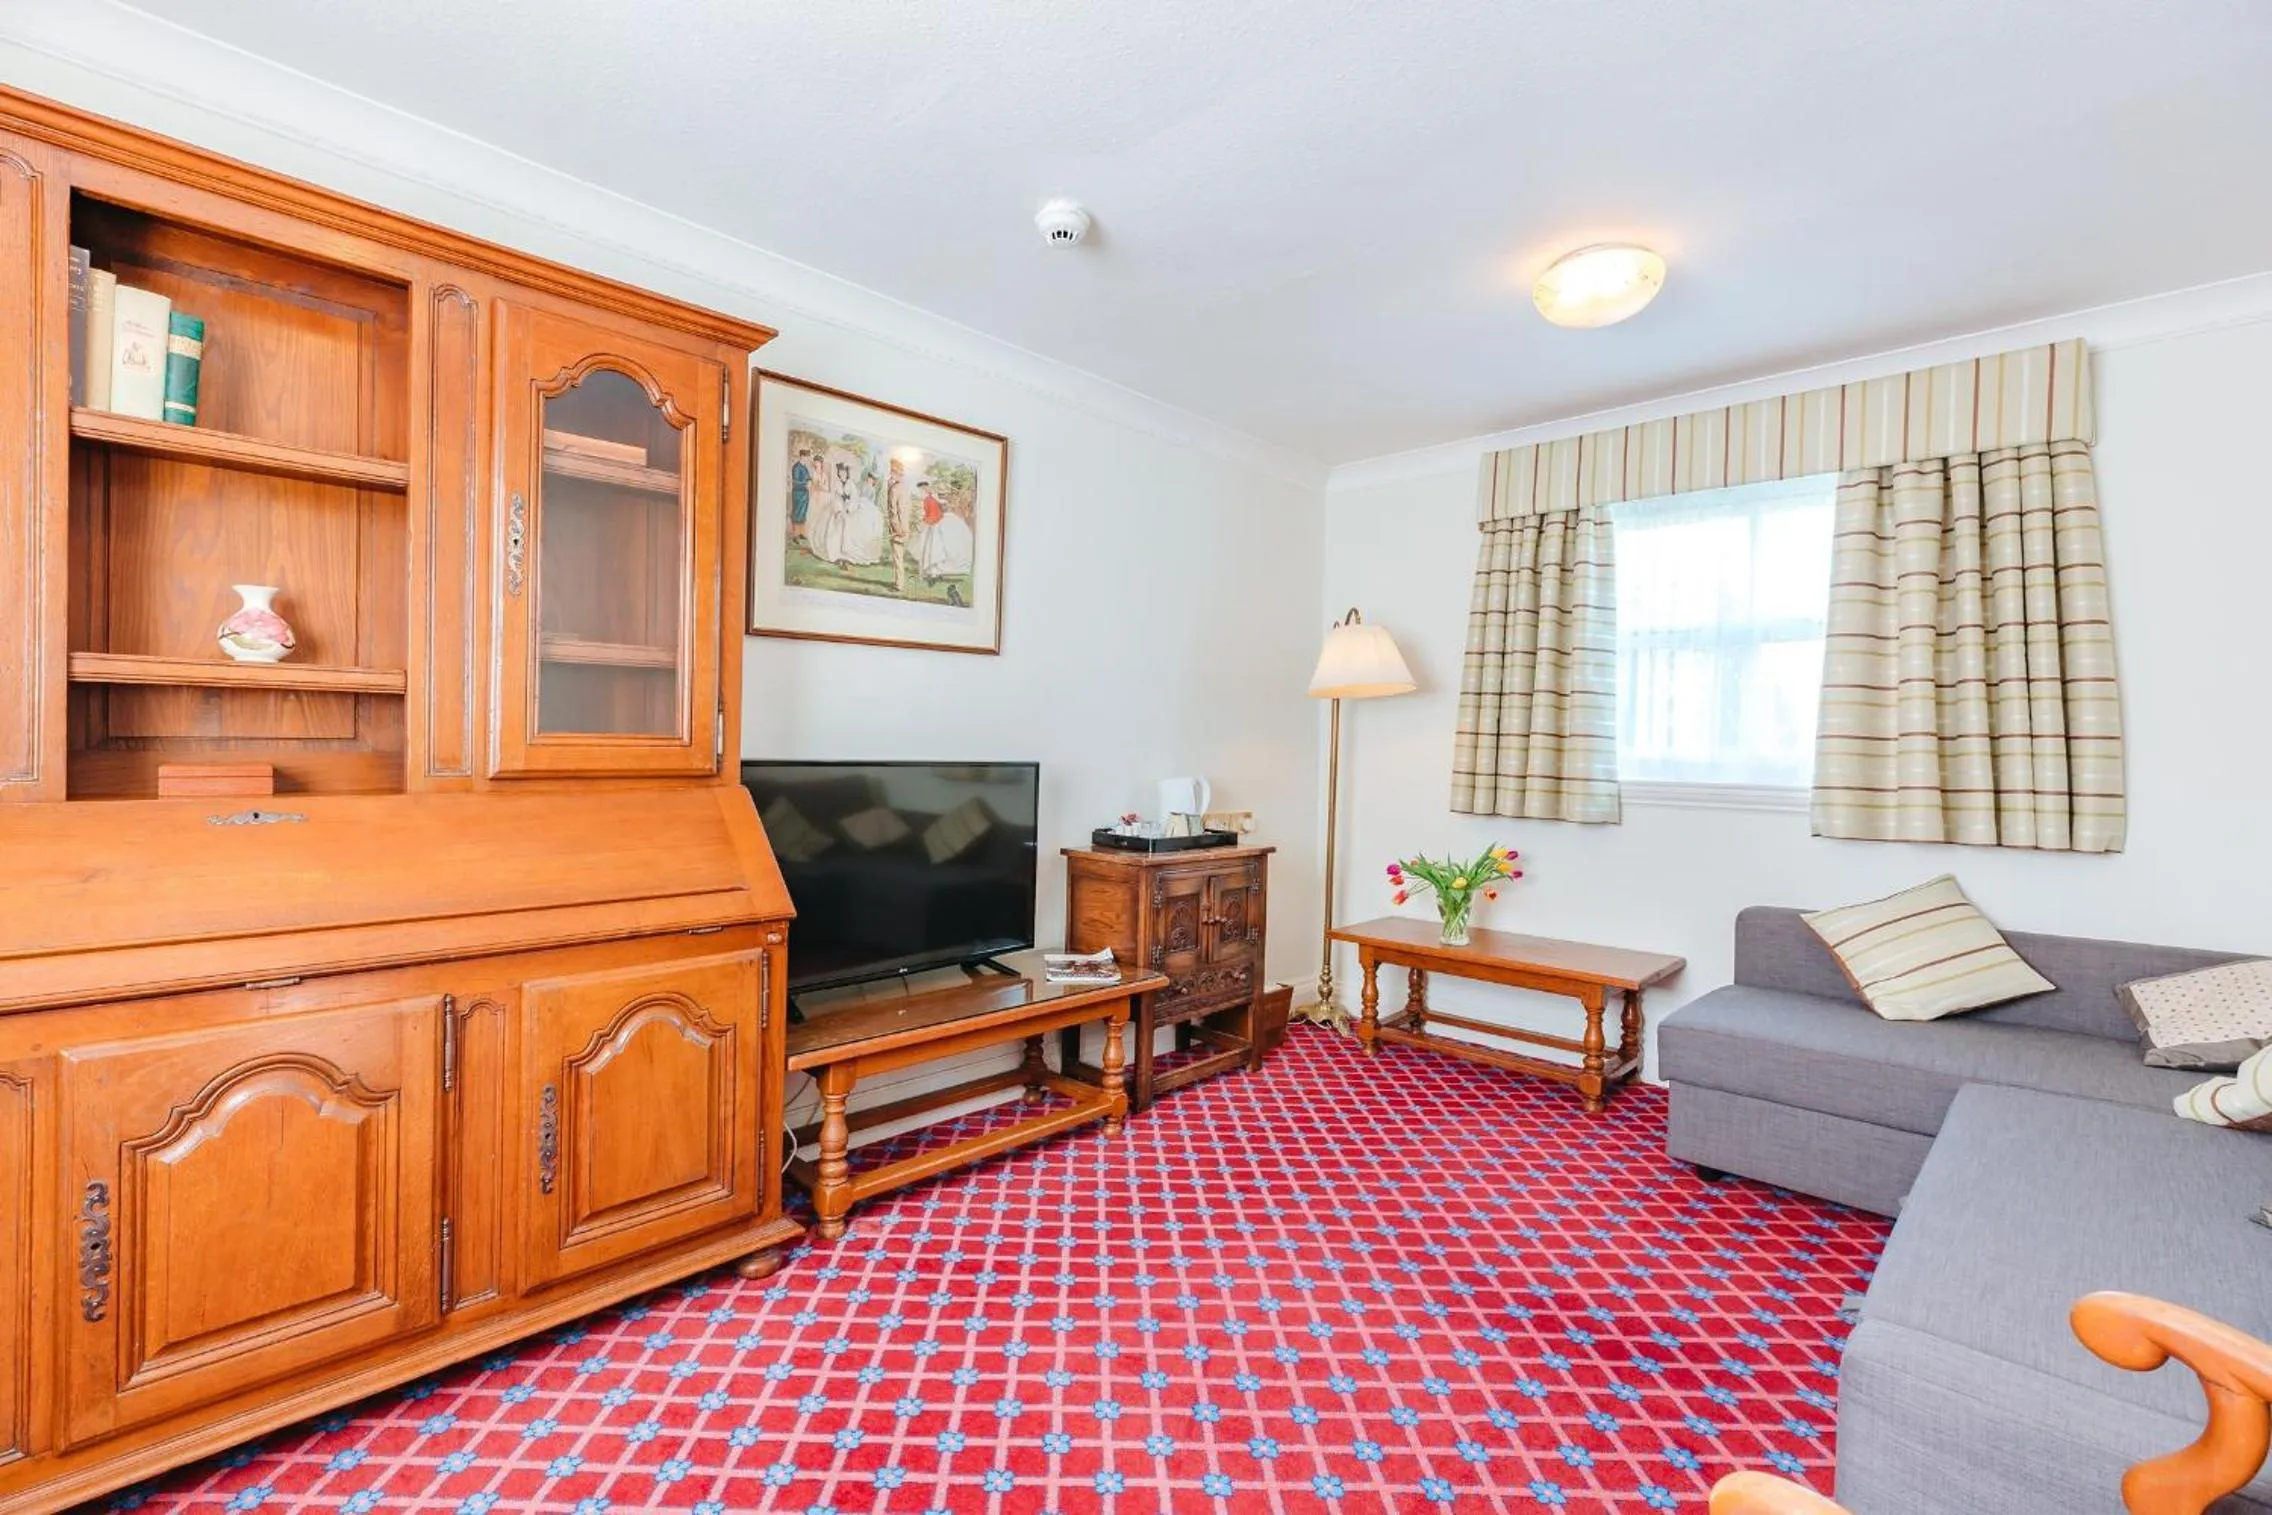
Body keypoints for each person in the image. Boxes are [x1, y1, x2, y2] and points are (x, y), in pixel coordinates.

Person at [915, 479, 975, 582]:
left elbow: (935, 513)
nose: (942, 494)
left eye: (944, 493)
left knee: (938, 546)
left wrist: (925, 522)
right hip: (938, 521)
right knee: (935, 546)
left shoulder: (932, 499)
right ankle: (934, 570)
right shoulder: (932, 499)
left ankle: (937, 570)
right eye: (941, 493)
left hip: (939, 521)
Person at [788, 448, 814, 544]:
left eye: (808, 457)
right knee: (797, 513)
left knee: (803, 513)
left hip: (805, 494)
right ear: (802, 456)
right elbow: (795, 482)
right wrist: (805, 484)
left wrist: (810, 480)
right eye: (807, 457)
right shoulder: (796, 467)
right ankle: (795, 535)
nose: (808, 459)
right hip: (798, 493)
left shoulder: (804, 467)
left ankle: (801, 533)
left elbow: (808, 477)